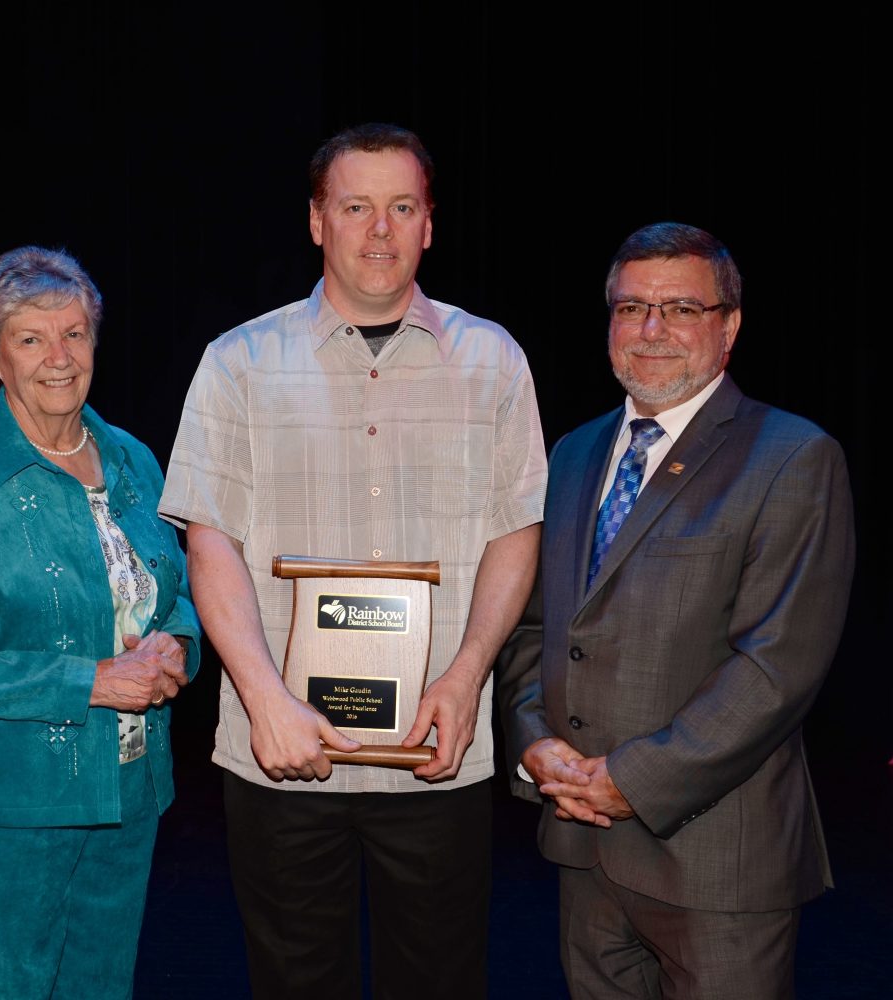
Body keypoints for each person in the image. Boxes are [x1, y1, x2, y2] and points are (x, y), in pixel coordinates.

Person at [158, 122, 547, 999]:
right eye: (356, 207)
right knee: (296, 983)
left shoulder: (492, 359)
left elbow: (514, 531)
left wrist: (466, 675)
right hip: (282, 751)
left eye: (401, 207)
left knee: (441, 981)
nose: (380, 230)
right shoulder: (238, 362)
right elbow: (208, 536)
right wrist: (263, 699)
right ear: (316, 222)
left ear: (430, 224)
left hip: (437, 745)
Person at [497, 221, 855, 999]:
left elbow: (777, 667)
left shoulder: (793, 457)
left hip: (719, 861)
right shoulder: (572, 454)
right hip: (583, 849)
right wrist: (533, 743)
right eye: (631, 309)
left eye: (681, 309)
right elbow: (532, 630)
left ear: (728, 327)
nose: (652, 330)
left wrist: (635, 778)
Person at [0, 245, 202, 999]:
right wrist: (91, 681)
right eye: (31, 339)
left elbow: (179, 591)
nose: (59, 358)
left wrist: (177, 648)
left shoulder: (132, 458)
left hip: (127, 794)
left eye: (75, 333)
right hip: (4, 808)